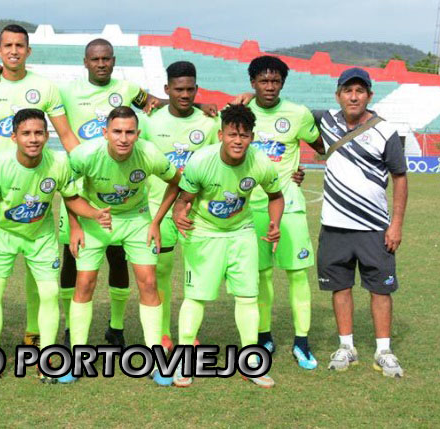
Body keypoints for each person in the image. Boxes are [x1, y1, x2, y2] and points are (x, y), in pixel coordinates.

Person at [0, 108, 111, 384]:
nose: (33, 139)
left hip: (40, 236)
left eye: (39, 133)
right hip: (2, 233)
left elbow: (72, 198)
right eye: (26, 133)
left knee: (50, 293)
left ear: (46, 135)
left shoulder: (59, 162)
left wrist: (94, 214)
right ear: (14, 136)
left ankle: (46, 359)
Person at [0, 24, 81, 348]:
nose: (14, 51)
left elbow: (65, 135)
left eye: (20, 45)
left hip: (35, 186)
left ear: (29, 50)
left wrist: (85, 165)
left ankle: (34, 332)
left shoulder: (44, 87)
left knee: (39, 275)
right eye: (8, 45)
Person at [60, 107, 180, 386]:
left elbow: (176, 183)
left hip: (136, 219)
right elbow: (67, 189)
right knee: (84, 283)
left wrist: (156, 222)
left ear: (138, 134)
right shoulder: (85, 155)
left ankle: (156, 361)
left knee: (148, 282)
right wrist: (76, 225)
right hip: (95, 219)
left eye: (129, 132)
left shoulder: (149, 154)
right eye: (117, 131)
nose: (123, 138)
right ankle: (76, 359)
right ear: (105, 133)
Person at [171, 103, 283, 388]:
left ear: (252, 137)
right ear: (221, 135)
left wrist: (275, 222)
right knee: (195, 297)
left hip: (241, 233)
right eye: (232, 134)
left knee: (247, 297)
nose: (238, 141)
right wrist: (178, 214)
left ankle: (251, 362)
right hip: (204, 233)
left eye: (244, 135)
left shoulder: (260, 162)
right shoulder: (201, 161)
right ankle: (183, 361)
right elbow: (183, 199)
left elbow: (276, 196)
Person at [315, 68, 407, 378]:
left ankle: (384, 350)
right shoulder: (326, 121)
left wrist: (396, 224)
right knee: (340, 287)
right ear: (338, 95)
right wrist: (248, 96)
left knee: (380, 290)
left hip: (374, 228)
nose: (353, 97)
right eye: (348, 90)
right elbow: (283, 112)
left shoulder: (385, 131)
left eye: (359, 91)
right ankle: (347, 347)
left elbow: (400, 178)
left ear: (369, 95)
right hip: (335, 226)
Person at [243, 56, 324, 369]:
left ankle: (302, 341)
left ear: (282, 83)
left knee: (297, 274)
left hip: (289, 205)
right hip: (251, 207)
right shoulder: (241, 112)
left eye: (275, 81)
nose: (269, 87)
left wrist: (298, 170)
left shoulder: (298, 114)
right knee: (261, 275)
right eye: (263, 81)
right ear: (253, 83)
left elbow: (322, 147)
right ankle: (264, 336)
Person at [139, 61, 220, 347]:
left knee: (194, 274)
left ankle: (189, 333)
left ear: (196, 89)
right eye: (178, 89)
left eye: (189, 90)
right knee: (160, 273)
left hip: (196, 211)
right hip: (158, 209)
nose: (184, 95)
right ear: (167, 89)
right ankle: (163, 333)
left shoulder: (210, 121)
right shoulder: (150, 121)